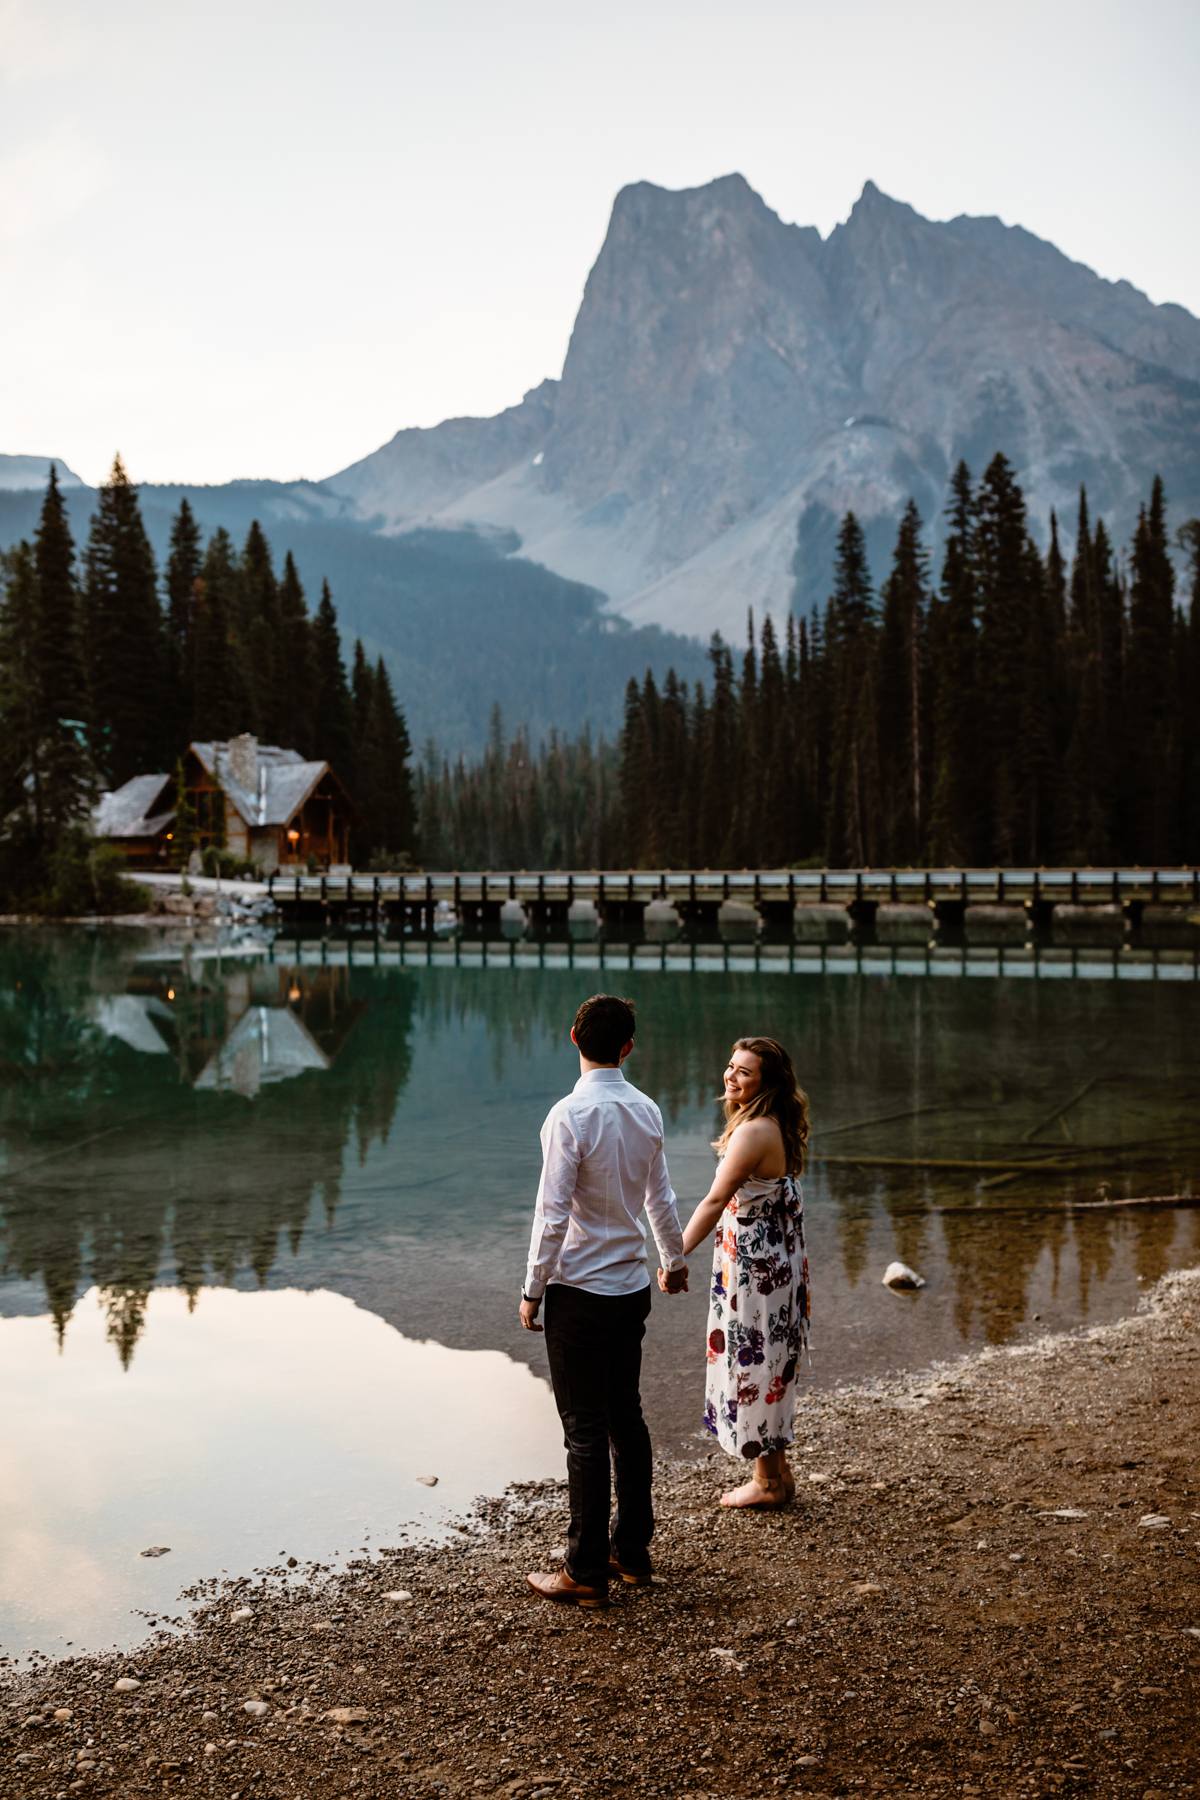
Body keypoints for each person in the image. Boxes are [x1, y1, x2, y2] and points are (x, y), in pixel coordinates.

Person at [520, 993, 688, 1608]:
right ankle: (632, 1553)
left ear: (573, 1037)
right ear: (628, 1047)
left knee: (584, 1431)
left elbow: (552, 1213)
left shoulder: (568, 1116)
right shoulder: (646, 1110)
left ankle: (585, 1571)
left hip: (578, 1292)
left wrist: (533, 1288)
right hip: (629, 1287)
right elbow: (660, 1198)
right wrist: (671, 1260)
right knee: (627, 1418)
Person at [665, 1036, 810, 1509]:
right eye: (731, 1066)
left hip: (756, 1270)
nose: (731, 1075)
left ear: (765, 1082)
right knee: (770, 1362)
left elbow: (713, 1201)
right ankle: (778, 1472)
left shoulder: (753, 1132)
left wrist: (675, 1254)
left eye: (744, 1071)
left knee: (752, 1362)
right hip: (774, 1261)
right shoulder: (776, 1125)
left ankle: (766, 1482)